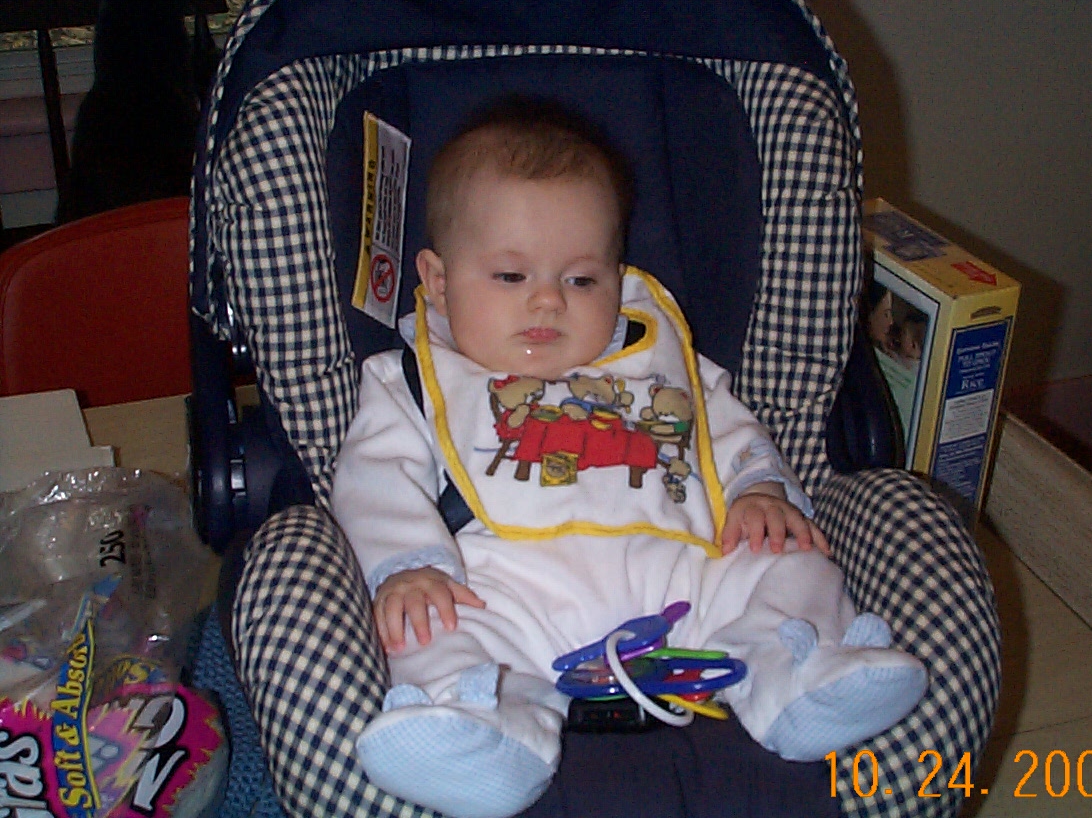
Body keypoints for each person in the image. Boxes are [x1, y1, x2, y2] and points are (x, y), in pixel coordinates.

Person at [331, 98, 927, 818]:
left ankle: (796, 676)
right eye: (511, 277)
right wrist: (410, 564)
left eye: (581, 280)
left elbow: (727, 432)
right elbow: (374, 479)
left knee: (790, 562)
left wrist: (759, 491)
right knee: (428, 627)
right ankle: (482, 726)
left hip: (680, 574)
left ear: (618, 276)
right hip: (506, 590)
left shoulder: (659, 360)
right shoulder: (411, 380)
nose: (548, 303)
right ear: (438, 278)